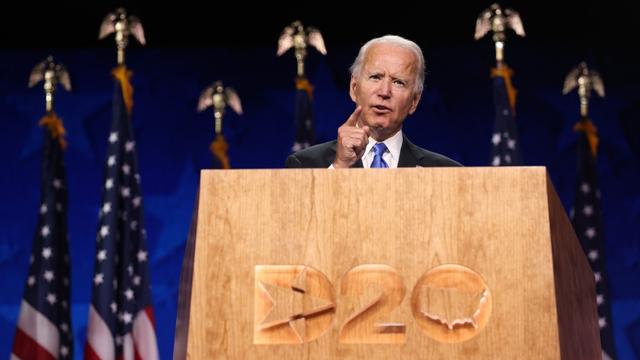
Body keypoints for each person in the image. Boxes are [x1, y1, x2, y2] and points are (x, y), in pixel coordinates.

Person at [285, 35, 460, 168]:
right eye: (376, 77)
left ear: (414, 101)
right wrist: (340, 166)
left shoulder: (445, 172)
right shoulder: (304, 164)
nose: (384, 92)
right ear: (354, 88)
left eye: (398, 82)